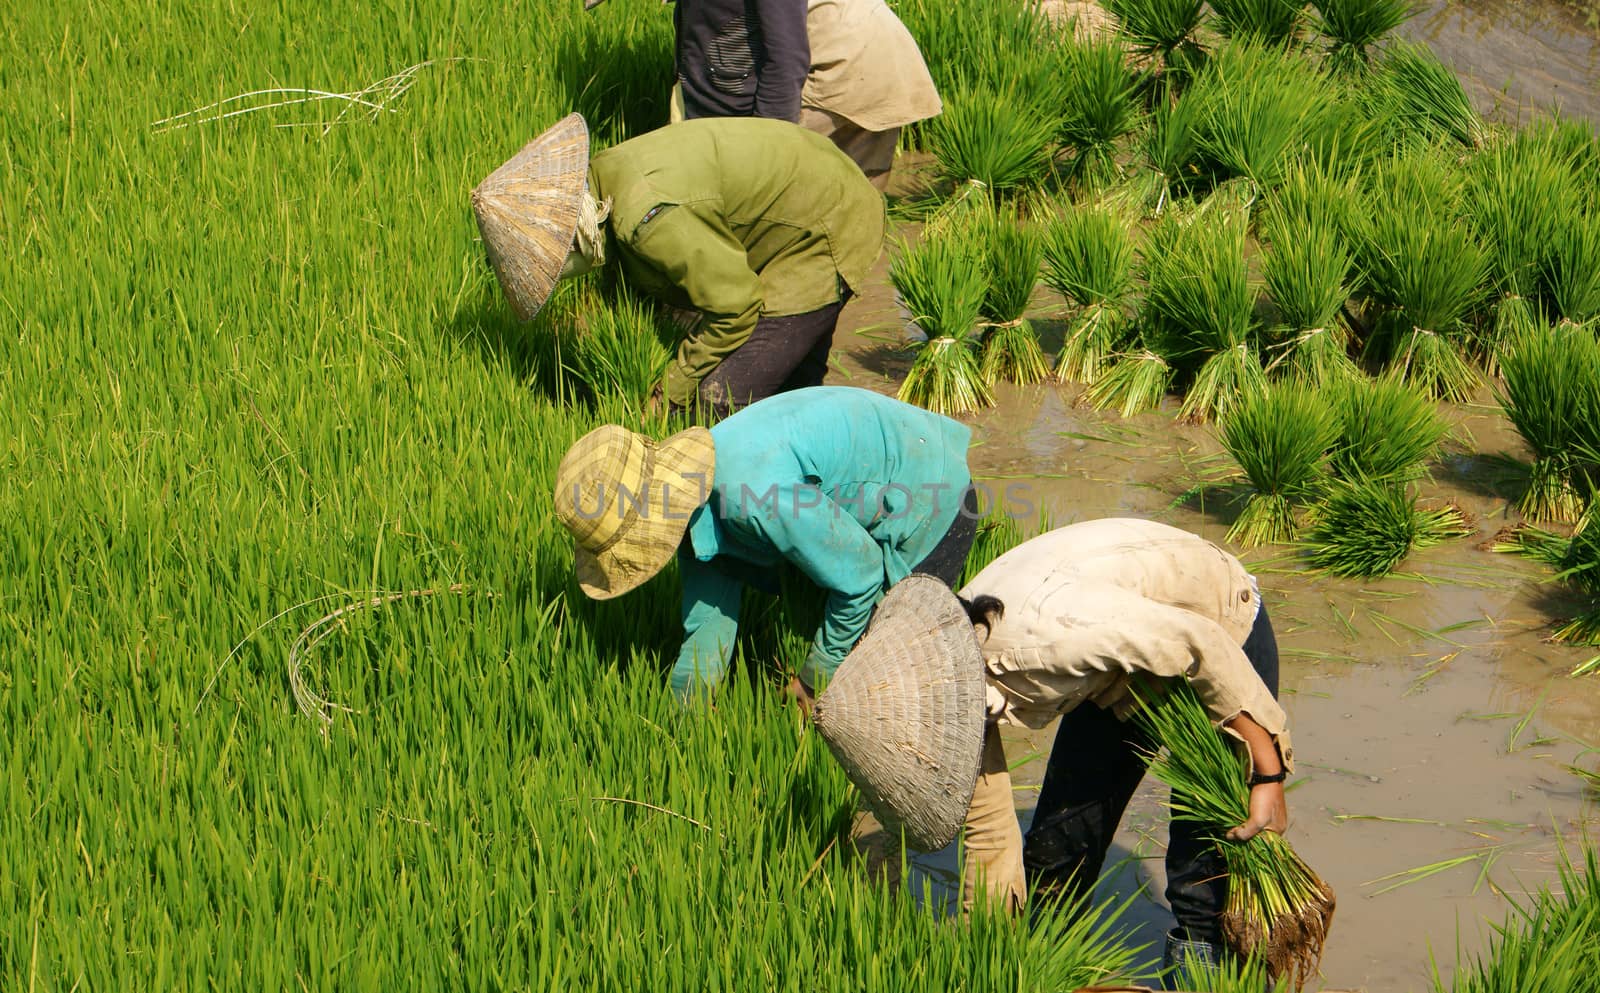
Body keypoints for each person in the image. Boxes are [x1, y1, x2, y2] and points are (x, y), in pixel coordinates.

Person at [954, 518, 1291, 977]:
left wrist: (1267, 773)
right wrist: (986, 962)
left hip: (1218, 632)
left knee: (1203, 869)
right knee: (1059, 847)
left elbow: (1201, 646)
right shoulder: (953, 668)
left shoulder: (1056, 642)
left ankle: (1206, 976)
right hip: (1120, 670)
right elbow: (990, 837)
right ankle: (1045, 968)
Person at [551, 386, 977, 704]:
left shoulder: (751, 498)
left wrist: (812, 682)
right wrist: (679, 730)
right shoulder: (689, 504)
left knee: (893, 684)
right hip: (859, 500)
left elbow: (862, 575)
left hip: (929, 498)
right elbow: (707, 628)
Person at [475, 113, 883, 415]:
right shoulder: (602, 176)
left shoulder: (647, 220)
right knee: (790, 391)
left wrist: (667, 393)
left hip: (823, 225)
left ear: (574, 242)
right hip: (801, 187)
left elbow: (737, 305)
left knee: (718, 402)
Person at [586, 0, 942, 190]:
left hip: (851, 65)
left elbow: (786, 58)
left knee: (797, 216)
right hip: (842, 49)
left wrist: (763, 153)